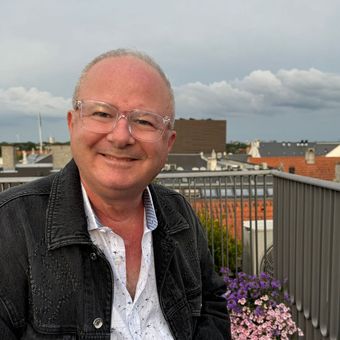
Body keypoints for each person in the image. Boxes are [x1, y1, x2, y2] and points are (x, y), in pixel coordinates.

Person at [0, 49, 231, 339]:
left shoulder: (178, 214)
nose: (121, 136)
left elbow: (211, 304)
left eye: (145, 121)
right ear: (73, 124)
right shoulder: (10, 226)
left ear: (168, 142)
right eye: (102, 113)